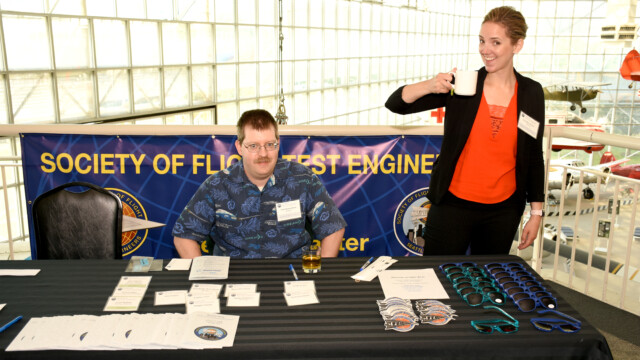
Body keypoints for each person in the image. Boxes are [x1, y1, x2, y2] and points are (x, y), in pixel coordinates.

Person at [385, 6, 544, 255]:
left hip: (504, 211)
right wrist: (431, 85)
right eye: (482, 41)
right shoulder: (463, 86)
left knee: (488, 283)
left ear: (517, 45)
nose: (485, 50)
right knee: (438, 276)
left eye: (495, 42)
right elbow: (395, 104)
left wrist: (536, 213)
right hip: (452, 205)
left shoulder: (532, 93)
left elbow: (534, 156)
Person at [172, 109, 346, 259]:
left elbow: (333, 226)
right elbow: (183, 235)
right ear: (240, 148)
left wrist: (323, 271)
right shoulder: (217, 185)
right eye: (253, 146)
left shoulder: (303, 179)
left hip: (292, 273)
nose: (263, 153)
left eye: (270, 144)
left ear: (278, 144)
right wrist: (204, 277)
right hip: (234, 277)